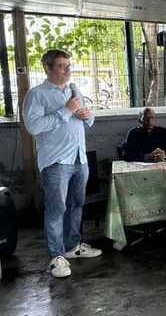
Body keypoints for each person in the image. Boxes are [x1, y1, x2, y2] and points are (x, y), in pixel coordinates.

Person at [23, 49, 102, 278]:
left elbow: (89, 118)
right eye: (62, 66)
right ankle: (55, 257)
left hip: (80, 158)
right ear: (47, 68)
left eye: (69, 65)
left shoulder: (74, 91)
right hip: (57, 161)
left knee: (77, 205)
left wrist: (88, 115)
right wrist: (65, 111)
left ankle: (72, 246)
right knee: (57, 209)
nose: (68, 70)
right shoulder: (37, 95)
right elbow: (33, 126)